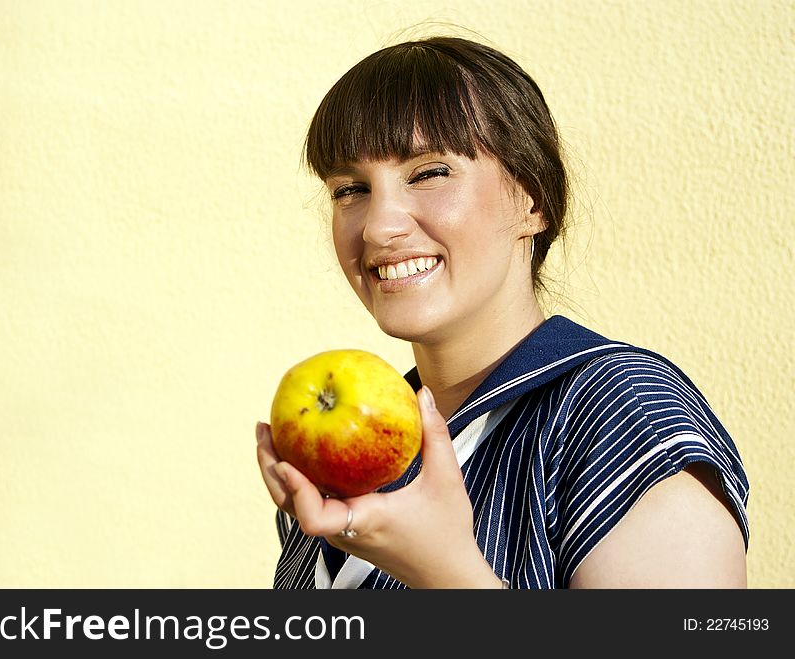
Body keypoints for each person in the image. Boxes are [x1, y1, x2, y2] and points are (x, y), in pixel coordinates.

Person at [255, 35, 748, 589]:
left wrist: (445, 574)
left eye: (429, 173)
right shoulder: (339, 454)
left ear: (532, 200)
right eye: (351, 189)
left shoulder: (624, 415)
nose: (378, 226)